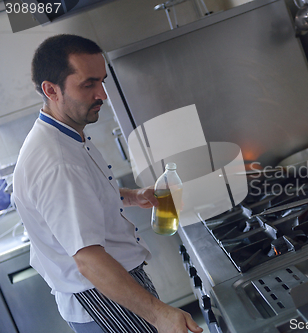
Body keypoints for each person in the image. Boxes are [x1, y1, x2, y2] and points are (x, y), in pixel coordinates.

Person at [12, 34, 203, 333]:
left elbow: (85, 196)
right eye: (88, 84)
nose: (102, 94)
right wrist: (159, 315)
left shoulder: (65, 133)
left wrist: (130, 196)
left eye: (102, 81)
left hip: (114, 288)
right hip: (103, 300)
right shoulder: (58, 163)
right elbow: (89, 261)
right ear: (51, 90)